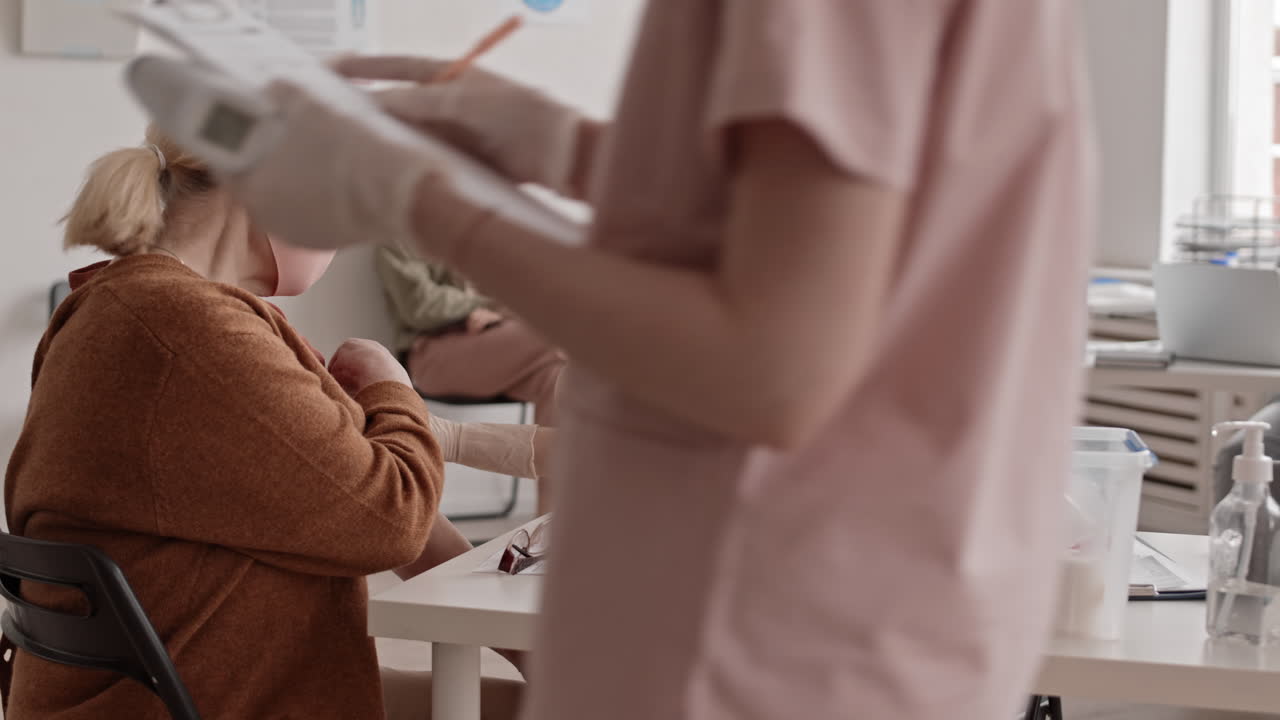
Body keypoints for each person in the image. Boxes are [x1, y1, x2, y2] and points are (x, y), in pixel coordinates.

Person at [212, 2, 1095, 718]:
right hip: (849, 606)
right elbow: (805, 232)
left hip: (761, 633)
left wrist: (416, 196)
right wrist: (560, 145)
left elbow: (772, 369)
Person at [1, 128, 547, 720]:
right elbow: (392, 518)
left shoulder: (132, 309)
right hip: (205, 698)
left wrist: (530, 653)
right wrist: (394, 387)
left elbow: (365, 499)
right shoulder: (188, 331)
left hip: (193, 684)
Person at [377, 247, 565, 513]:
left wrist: (501, 313)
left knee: (557, 376)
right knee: (559, 337)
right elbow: (419, 305)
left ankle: (550, 525)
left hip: (504, 346)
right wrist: (492, 308)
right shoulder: (398, 228)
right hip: (435, 355)